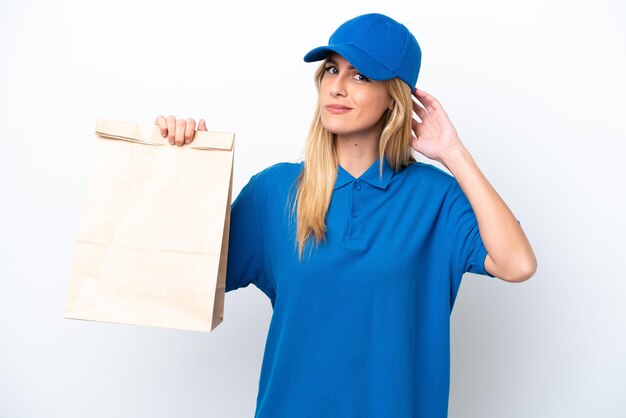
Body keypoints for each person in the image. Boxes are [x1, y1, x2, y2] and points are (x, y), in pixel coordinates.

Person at [155, 12, 537, 418]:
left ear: (394, 95)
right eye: (332, 70)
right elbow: (180, 282)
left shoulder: (435, 198)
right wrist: (179, 166)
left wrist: (453, 153)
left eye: (360, 76)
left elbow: (517, 264)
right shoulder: (275, 192)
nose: (336, 87)